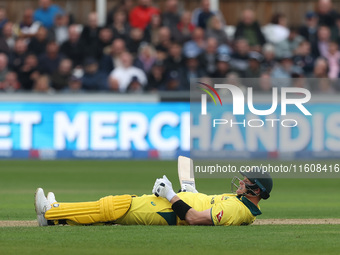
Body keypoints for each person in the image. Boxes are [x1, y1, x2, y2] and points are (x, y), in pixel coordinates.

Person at [34, 168, 273, 226]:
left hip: (167, 212)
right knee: (112, 206)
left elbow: (194, 218)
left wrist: (170, 194)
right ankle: (57, 213)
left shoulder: (238, 210)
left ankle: (51, 212)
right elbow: (203, 202)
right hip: (169, 205)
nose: (241, 183)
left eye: (247, 183)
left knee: (113, 207)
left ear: (257, 192)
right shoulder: (237, 201)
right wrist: (190, 192)